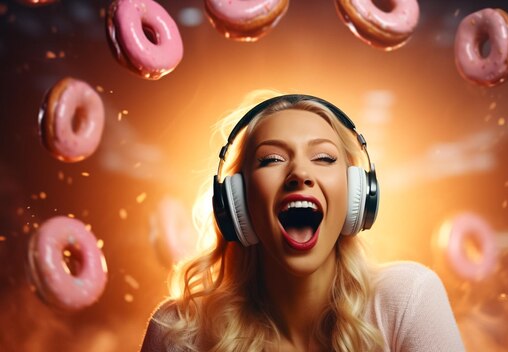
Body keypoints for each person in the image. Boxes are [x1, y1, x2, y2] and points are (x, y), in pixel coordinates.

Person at [140, 91, 465, 351]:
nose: (300, 173)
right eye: (272, 159)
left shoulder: (406, 301)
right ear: (236, 200)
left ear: (357, 193)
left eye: (323, 158)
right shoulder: (179, 333)